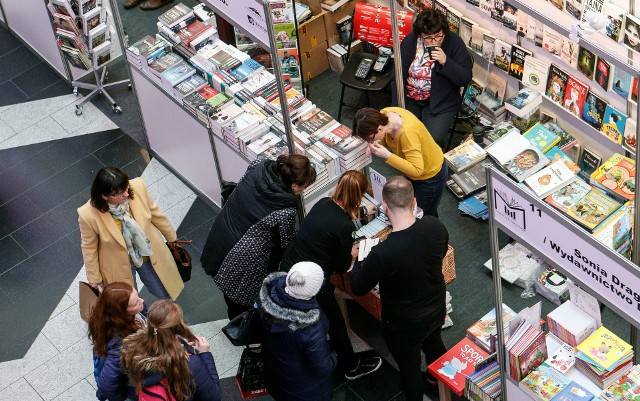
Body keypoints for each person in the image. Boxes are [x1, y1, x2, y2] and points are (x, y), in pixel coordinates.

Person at [350, 176, 449, 401]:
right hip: (435, 305)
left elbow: (358, 287)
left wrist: (356, 260)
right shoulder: (435, 226)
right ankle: (439, 381)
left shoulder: (382, 253)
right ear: (414, 202)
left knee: (409, 368)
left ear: (385, 206)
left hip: (403, 323)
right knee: (434, 341)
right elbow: (440, 254)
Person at [280, 170, 382, 380]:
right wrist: (352, 252)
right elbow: (341, 265)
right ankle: (351, 366)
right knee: (336, 323)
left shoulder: (323, 203)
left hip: (290, 264)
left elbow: (332, 221)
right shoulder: (344, 227)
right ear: (358, 196)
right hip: (314, 281)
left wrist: (362, 212)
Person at [200, 154, 317, 320]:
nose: (302, 191)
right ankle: (240, 330)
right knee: (239, 304)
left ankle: (235, 321)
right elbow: (284, 243)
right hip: (240, 260)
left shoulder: (258, 165)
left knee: (228, 294)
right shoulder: (285, 210)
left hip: (222, 234)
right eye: (303, 187)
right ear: (293, 185)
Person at [78, 167, 184, 301]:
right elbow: (89, 247)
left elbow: (156, 214)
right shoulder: (87, 215)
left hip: (146, 253)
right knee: (128, 300)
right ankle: (140, 313)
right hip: (117, 264)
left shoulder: (138, 186)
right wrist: (94, 277)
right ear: (104, 196)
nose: (126, 194)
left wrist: (172, 238)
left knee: (162, 290)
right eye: (119, 194)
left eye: (126, 188)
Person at [391, 8, 473, 148]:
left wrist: (446, 61)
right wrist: (396, 107)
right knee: (403, 132)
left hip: (441, 101)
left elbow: (465, 78)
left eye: (438, 36)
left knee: (434, 139)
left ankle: (429, 164)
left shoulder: (454, 42)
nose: (433, 41)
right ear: (420, 35)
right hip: (411, 97)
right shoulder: (411, 41)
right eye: (428, 38)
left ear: (444, 32)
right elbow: (397, 76)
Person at [258, 262, 338, 401]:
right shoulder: (312, 328)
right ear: (315, 290)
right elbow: (322, 368)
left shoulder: (267, 296)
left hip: (276, 373)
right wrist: (334, 357)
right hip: (306, 389)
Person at [352, 107, 447, 217]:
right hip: (416, 171)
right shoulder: (384, 115)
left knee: (424, 214)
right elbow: (387, 139)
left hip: (430, 176)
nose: (371, 141)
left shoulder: (407, 134)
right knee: (414, 206)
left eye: (371, 138)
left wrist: (388, 156)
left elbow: (417, 170)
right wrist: (377, 144)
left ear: (379, 129)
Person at [120, 300, 222, 401]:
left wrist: (182, 344)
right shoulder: (191, 363)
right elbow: (214, 397)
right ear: (179, 327)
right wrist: (205, 354)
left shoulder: (133, 348)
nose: (142, 300)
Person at [89, 282, 146, 401]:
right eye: (136, 303)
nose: (142, 300)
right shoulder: (120, 344)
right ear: (122, 312)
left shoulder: (105, 316)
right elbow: (106, 384)